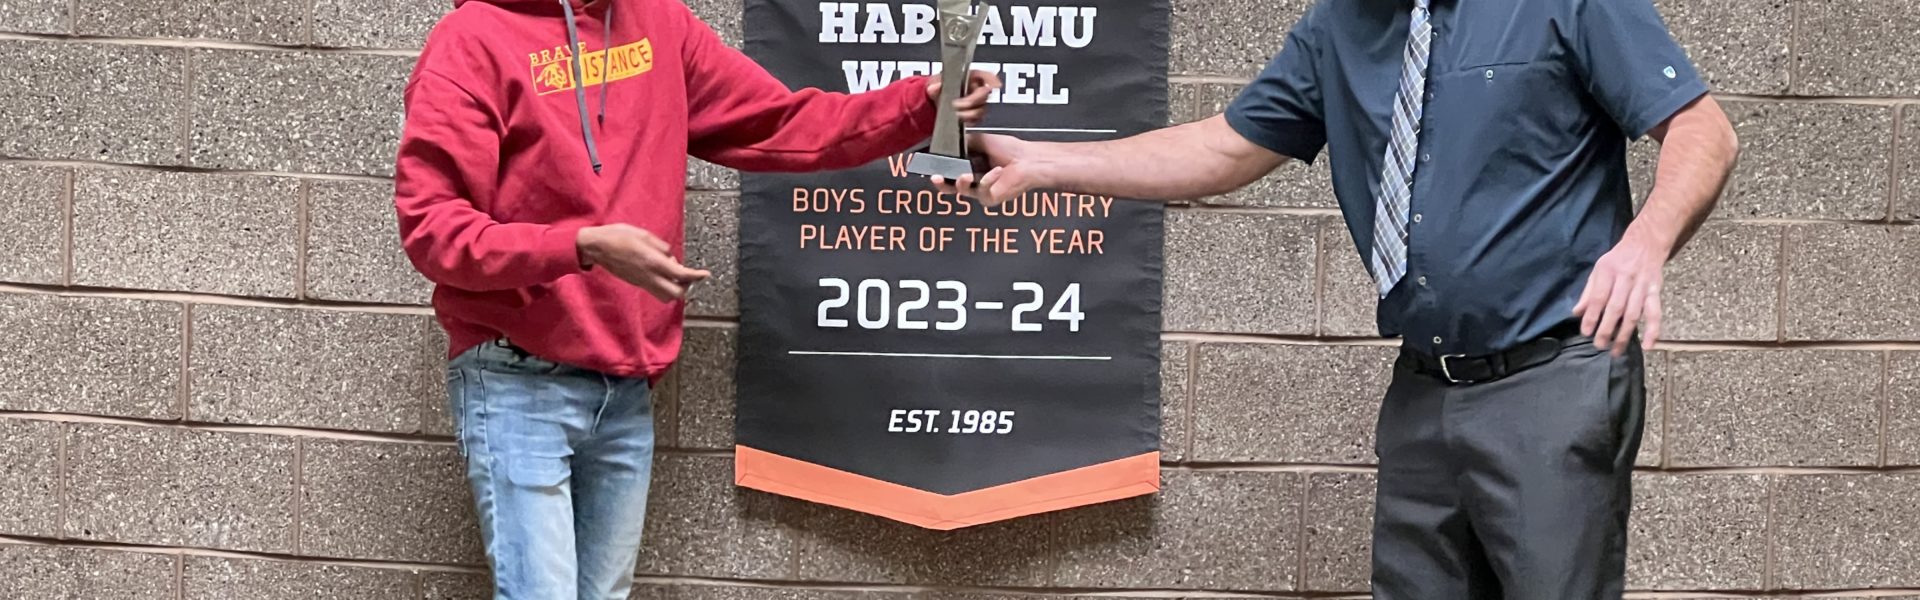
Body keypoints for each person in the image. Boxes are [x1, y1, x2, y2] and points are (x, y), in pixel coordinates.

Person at [939, 0, 1737, 597]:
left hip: (1550, 381)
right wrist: (1043, 164)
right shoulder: (1339, 25)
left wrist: (1644, 243)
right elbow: (1224, 146)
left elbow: (1706, 133)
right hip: (1424, 393)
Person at [392, 0, 997, 597]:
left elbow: (781, 123)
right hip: (516, 377)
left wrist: (920, 104)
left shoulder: (659, 21)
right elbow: (433, 230)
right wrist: (581, 246)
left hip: (624, 388)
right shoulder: (470, 42)